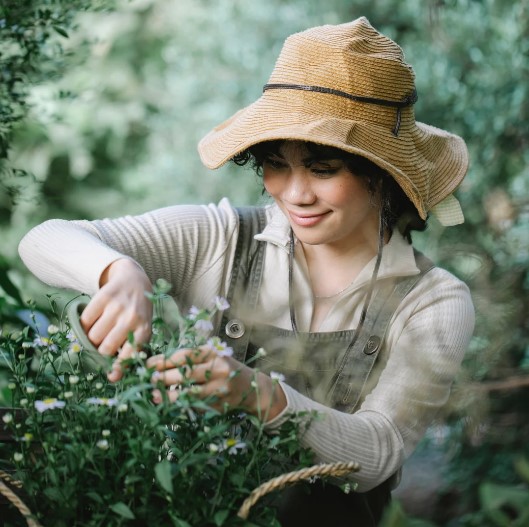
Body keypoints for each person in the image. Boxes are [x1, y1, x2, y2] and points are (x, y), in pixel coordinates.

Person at [18, 17, 475, 526]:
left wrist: (258, 393)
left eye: (323, 169)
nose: (295, 194)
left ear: (382, 172)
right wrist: (119, 272)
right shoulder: (218, 238)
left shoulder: (433, 300)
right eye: (276, 164)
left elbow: (378, 453)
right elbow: (42, 239)